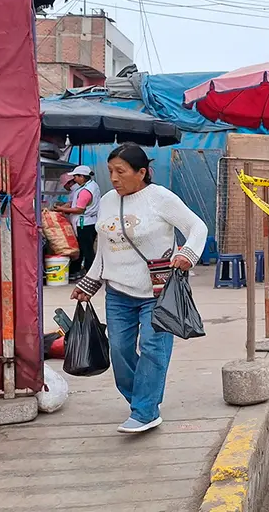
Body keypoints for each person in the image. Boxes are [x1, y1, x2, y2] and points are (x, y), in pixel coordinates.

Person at [71, 144, 207, 434]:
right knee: (119, 350)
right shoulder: (107, 201)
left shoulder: (160, 198)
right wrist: (90, 282)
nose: (114, 178)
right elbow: (106, 248)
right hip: (118, 292)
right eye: (110, 172)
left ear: (141, 172)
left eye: (121, 171)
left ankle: (145, 411)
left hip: (158, 292)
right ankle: (144, 400)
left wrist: (188, 255)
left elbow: (197, 227)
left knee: (152, 348)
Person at [56, 165, 100, 279]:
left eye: (76, 176)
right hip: (89, 222)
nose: (74, 179)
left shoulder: (86, 190)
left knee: (86, 249)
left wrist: (62, 209)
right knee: (84, 248)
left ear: (82, 176)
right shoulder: (91, 186)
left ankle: (90, 273)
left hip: (84, 223)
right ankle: (77, 271)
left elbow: (79, 209)